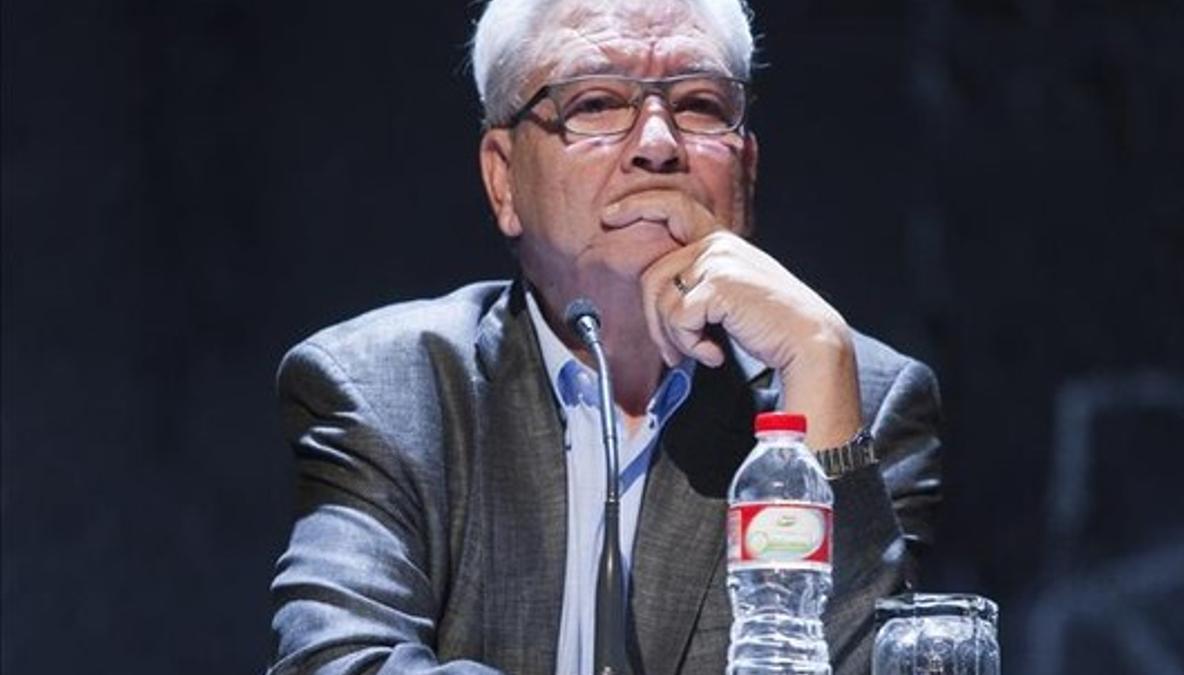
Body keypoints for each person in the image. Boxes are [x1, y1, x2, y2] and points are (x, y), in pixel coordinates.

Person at [266, 0, 942, 673]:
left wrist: (818, 355)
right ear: (504, 179)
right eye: (595, 103)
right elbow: (340, 662)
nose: (657, 144)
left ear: (747, 170)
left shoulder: (854, 398)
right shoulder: (389, 392)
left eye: (701, 105)